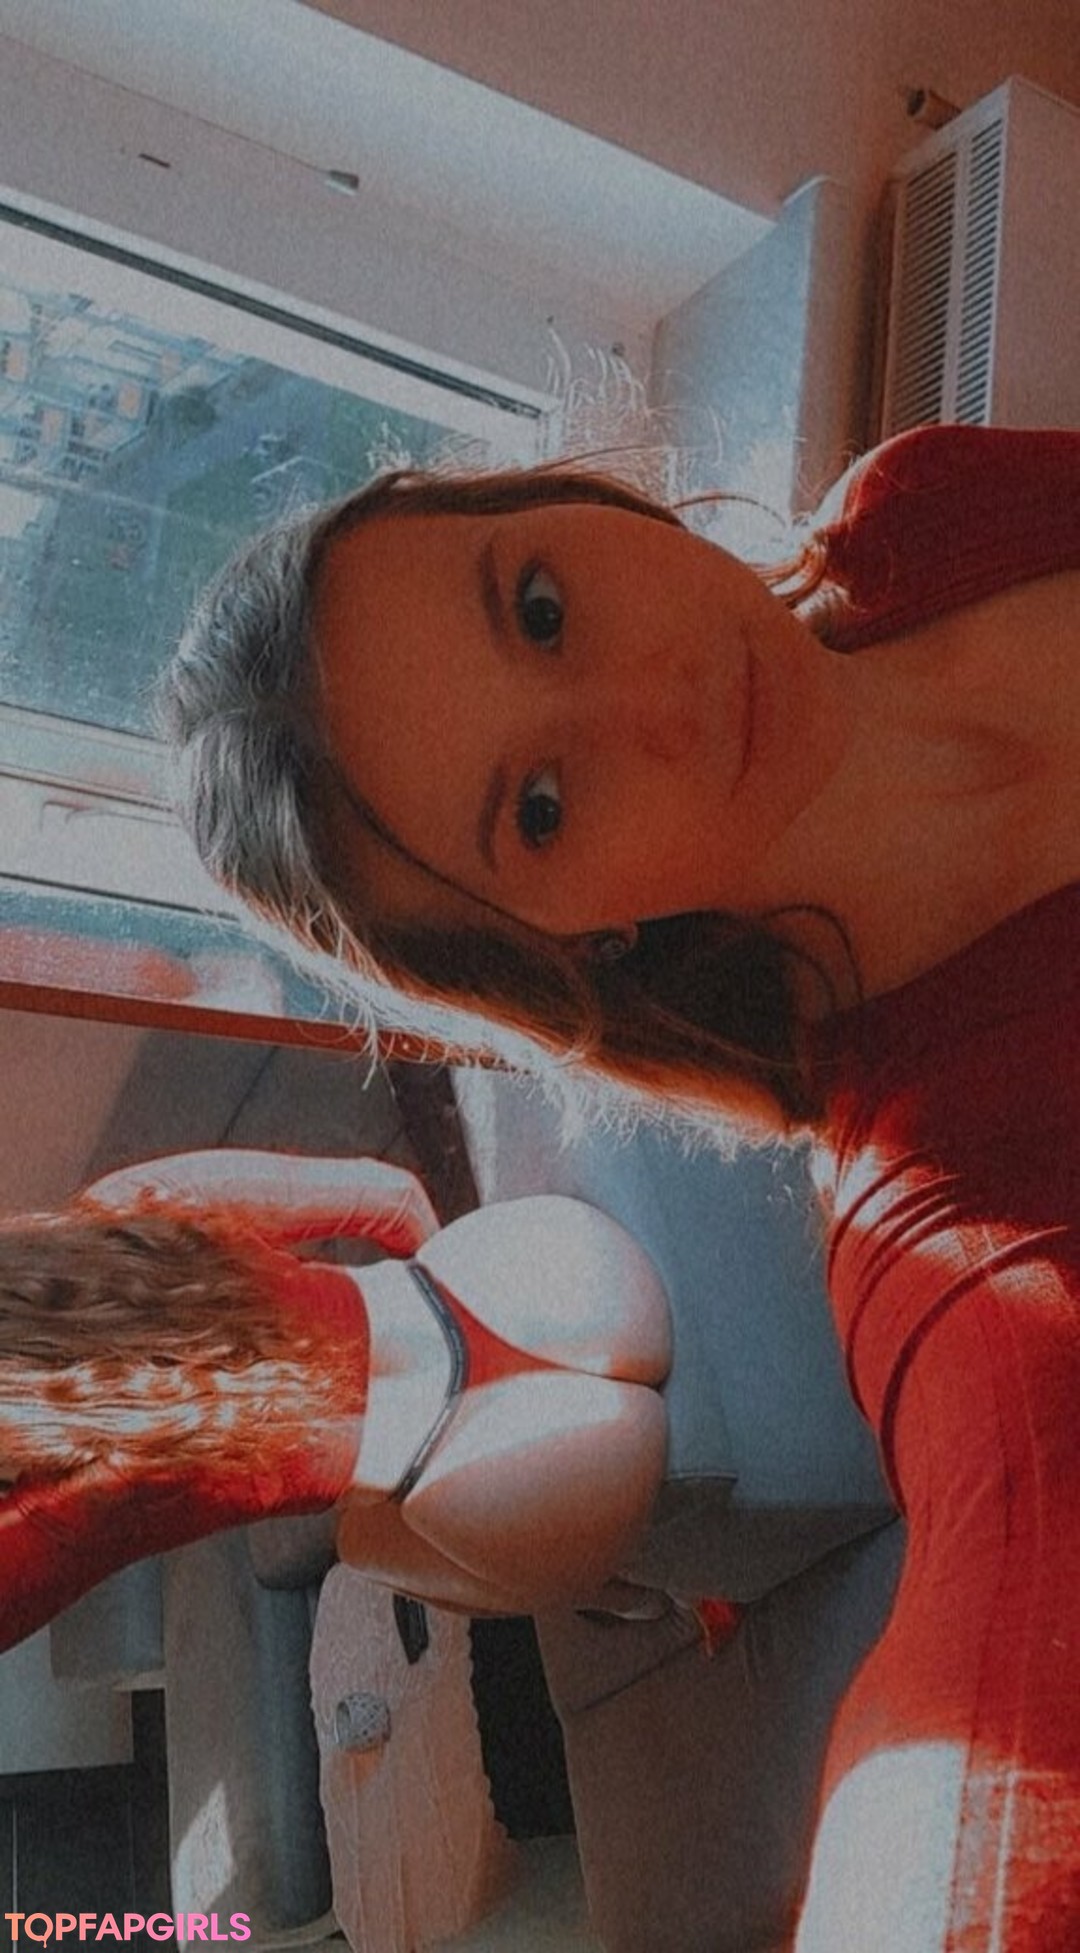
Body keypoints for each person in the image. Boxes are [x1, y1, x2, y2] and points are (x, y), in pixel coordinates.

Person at [164, 420, 1080, 1948]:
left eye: (541, 606)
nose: (657, 699)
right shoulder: (959, 1245)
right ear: (570, 942)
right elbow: (998, 1735)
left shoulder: (915, 509)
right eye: (541, 807)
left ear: (555, 501)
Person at [0, 1150, 671, 1652]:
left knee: (358, 1545)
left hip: (533, 1484)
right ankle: (586, 1537)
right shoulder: (120, 1209)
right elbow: (395, 1197)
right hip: (576, 1274)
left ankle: (634, 1585)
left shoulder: (56, 1515)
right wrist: (448, 1306)